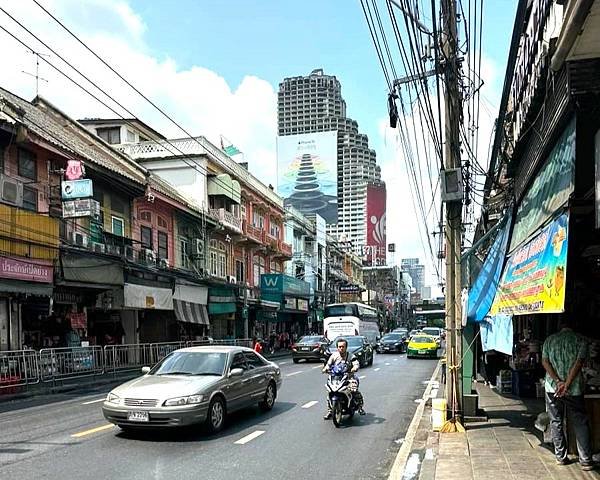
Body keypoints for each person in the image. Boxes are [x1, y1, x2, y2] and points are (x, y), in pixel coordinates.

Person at [542, 318, 594, 471]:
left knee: (556, 420)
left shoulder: (549, 340)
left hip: (553, 388)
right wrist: (567, 383)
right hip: (574, 389)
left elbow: (545, 362)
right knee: (579, 421)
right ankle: (585, 460)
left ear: (560, 326)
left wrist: (558, 381)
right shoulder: (580, 341)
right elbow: (578, 364)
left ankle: (560, 457)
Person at [322, 337, 365, 419]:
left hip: (349, 377)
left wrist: (354, 368)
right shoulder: (334, 356)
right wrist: (325, 369)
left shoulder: (351, 355)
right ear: (337, 347)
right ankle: (330, 411)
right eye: (339, 347)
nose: (341, 348)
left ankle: (359, 407)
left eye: (343, 347)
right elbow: (328, 364)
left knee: (354, 389)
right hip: (336, 377)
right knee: (329, 391)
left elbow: (356, 363)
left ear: (346, 347)